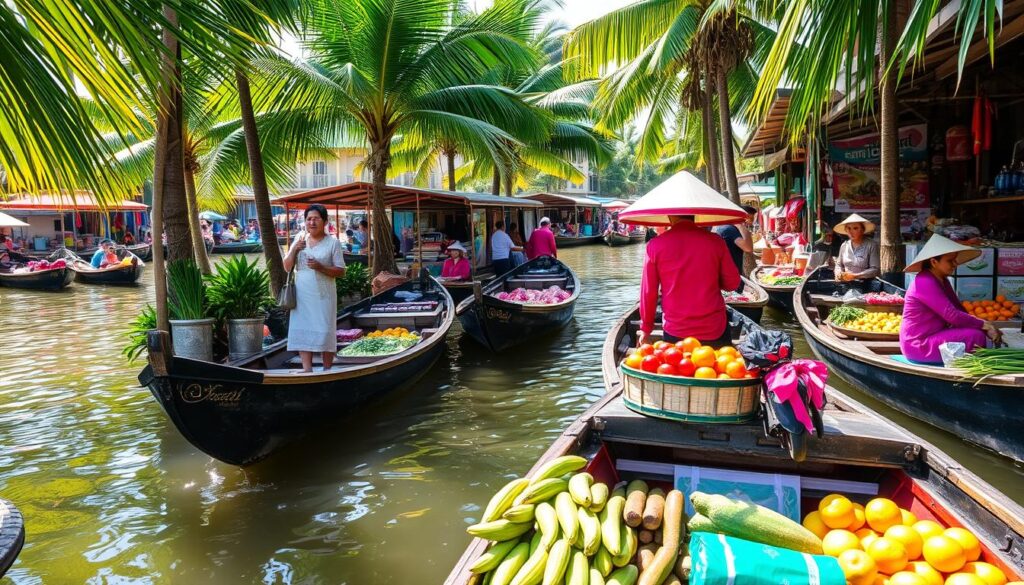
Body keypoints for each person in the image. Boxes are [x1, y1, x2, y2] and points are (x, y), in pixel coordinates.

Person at [639, 215, 740, 346]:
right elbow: (732, 284)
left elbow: (648, 293)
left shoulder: (655, 245)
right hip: (714, 328)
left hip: (675, 331)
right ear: (695, 215)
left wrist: (646, 329)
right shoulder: (715, 241)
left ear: (669, 216)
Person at [900, 234, 1002, 363]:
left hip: (933, 336)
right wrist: (984, 325)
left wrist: (982, 326)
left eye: (955, 260)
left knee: (977, 332)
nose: (955, 264)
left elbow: (959, 309)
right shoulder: (924, 281)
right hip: (918, 345)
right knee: (975, 336)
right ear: (934, 262)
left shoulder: (942, 279)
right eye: (950, 261)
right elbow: (952, 315)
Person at [284, 204, 347, 373]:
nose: (312, 222)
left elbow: (341, 271)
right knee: (302, 327)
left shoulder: (333, 243)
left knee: (325, 328)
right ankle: (307, 370)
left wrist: (321, 267)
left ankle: (327, 368)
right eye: (309, 219)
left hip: (324, 294)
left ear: (325, 221)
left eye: (316, 218)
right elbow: (287, 267)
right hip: (302, 292)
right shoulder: (300, 238)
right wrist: (294, 250)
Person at [712, 205, 756, 292]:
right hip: (730, 277)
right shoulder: (730, 229)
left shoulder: (724, 227)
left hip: (727, 275)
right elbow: (748, 248)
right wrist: (741, 226)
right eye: (749, 218)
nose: (751, 222)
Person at [833, 213, 880, 283]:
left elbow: (875, 269)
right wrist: (838, 273)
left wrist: (855, 276)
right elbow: (839, 264)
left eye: (855, 228)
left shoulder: (871, 245)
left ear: (862, 230)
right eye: (848, 228)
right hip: (846, 285)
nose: (851, 231)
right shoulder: (844, 245)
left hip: (866, 285)